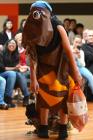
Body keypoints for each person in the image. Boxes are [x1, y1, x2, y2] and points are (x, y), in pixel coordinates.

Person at [22, 1, 82, 139]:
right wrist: (33, 79)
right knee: (43, 96)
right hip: (43, 67)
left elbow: (68, 50)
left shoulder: (58, 25)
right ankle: (43, 127)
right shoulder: (31, 27)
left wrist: (76, 72)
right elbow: (32, 54)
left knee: (63, 96)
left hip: (61, 65)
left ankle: (63, 126)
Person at [0, 39, 30, 106]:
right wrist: (14, 68)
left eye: (14, 44)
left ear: (16, 46)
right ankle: (8, 98)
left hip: (11, 75)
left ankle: (26, 96)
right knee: (12, 73)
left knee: (19, 74)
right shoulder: (0, 53)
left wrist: (20, 68)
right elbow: (1, 68)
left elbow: (16, 68)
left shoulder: (16, 55)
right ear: (7, 44)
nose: (12, 45)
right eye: (10, 43)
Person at [72, 35, 93, 103]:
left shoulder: (81, 52)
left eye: (79, 43)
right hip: (71, 67)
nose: (77, 44)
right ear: (73, 42)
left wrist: (78, 57)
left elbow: (82, 64)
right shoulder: (69, 48)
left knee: (89, 75)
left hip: (80, 67)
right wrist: (73, 55)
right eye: (76, 42)